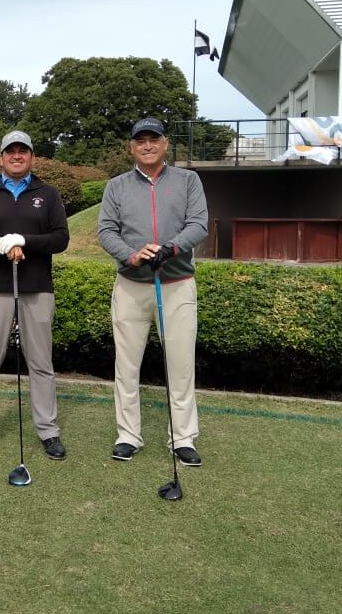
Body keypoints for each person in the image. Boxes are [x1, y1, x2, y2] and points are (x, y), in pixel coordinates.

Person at [97, 117, 209, 467]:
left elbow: (199, 224)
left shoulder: (188, 180)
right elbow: (106, 230)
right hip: (131, 286)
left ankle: (183, 437)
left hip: (177, 284)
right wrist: (131, 255)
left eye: (154, 139)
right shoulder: (116, 186)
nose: (147, 145)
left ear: (165, 143)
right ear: (131, 147)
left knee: (180, 365)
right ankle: (128, 435)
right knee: (127, 365)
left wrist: (172, 248)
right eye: (140, 140)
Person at [0, 130, 70, 460]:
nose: (17, 156)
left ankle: (48, 429)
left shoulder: (48, 194)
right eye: (11, 151)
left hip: (37, 287)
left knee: (41, 363)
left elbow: (60, 238)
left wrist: (24, 242)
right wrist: (1, 245)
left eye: (23, 151)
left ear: (32, 157)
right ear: (1, 158)